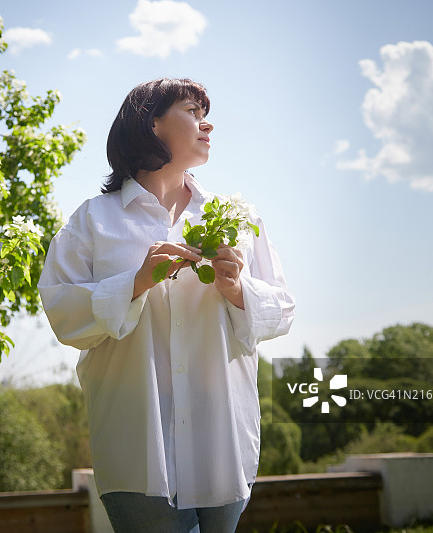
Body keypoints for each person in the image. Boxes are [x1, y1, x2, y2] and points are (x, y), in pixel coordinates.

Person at [38, 78, 295, 533]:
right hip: (137, 448)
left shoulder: (238, 219)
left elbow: (283, 309)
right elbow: (64, 313)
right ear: (151, 123)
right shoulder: (93, 221)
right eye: (192, 111)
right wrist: (135, 283)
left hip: (223, 443)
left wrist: (238, 290)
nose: (207, 123)